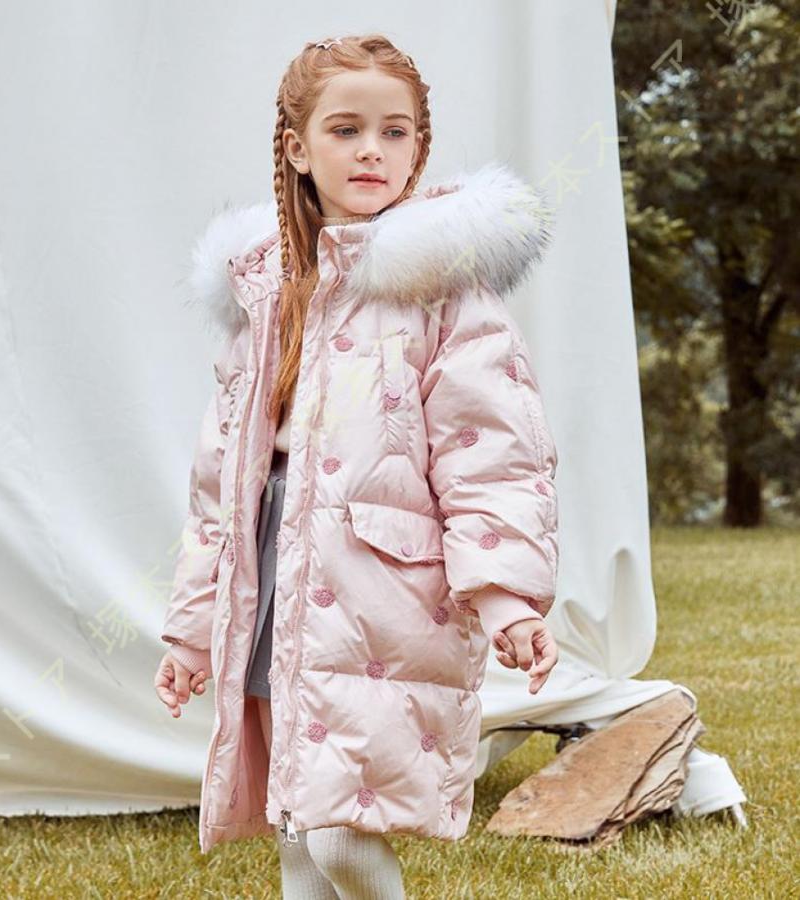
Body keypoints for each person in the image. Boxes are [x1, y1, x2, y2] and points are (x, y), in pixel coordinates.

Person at [154, 33, 560, 899]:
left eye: (395, 132)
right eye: (346, 130)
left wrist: (504, 594)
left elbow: (490, 453)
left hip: (379, 592)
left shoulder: (442, 289)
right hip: (271, 574)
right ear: (298, 149)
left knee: (341, 833)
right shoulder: (267, 290)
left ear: (419, 147)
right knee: (300, 823)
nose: (373, 150)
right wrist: (192, 629)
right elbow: (219, 480)